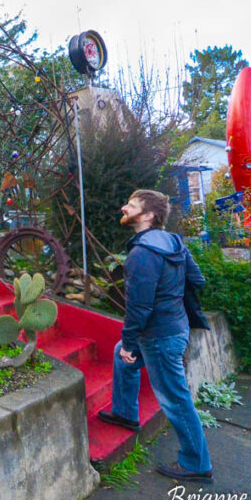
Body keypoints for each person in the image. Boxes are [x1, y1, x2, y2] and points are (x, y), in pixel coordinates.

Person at [96, 189, 213, 483]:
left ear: (147, 216)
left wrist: (132, 343)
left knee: (175, 399)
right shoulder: (174, 242)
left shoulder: (141, 254)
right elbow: (197, 279)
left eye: (131, 205)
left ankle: (197, 464)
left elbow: (140, 307)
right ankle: (125, 412)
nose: (124, 207)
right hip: (175, 328)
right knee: (120, 355)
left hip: (159, 336)